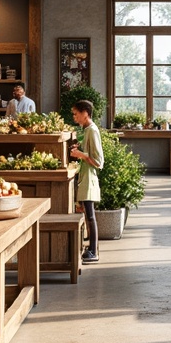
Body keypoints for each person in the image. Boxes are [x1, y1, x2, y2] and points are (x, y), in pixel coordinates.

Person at [68, 99, 104, 264]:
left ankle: (93, 250)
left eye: (76, 114)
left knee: (90, 215)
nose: (75, 117)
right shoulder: (87, 130)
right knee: (87, 213)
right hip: (85, 176)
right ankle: (91, 249)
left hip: (89, 177)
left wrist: (80, 155)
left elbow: (98, 161)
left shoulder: (92, 130)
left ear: (85, 113)